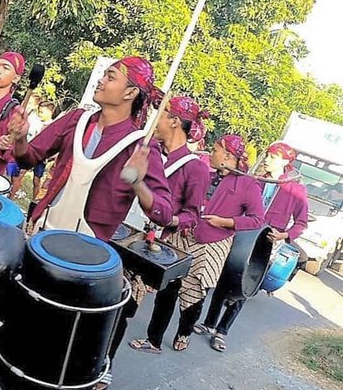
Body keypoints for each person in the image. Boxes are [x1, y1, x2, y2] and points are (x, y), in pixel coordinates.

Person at [0, 57, 173, 390]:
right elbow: (31, 157)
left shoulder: (141, 146)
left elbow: (164, 212)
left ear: (131, 92)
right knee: (1, 321)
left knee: (31, 340)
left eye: (111, 76)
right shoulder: (76, 120)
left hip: (80, 266)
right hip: (39, 237)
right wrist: (16, 140)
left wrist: (139, 184)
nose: (102, 79)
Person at [196, 141, 308, 352]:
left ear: (285, 162)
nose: (266, 160)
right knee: (224, 278)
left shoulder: (296, 189)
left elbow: (301, 223)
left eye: (272, 157)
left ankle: (222, 331)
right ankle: (209, 324)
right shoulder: (255, 180)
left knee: (245, 285)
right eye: (267, 155)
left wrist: (285, 235)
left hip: (265, 244)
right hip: (242, 235)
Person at [125, 97, 211, 357]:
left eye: (161, 115)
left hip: (162, 240)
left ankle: (153, 340)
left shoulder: (195, 167)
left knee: (158, 294)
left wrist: (170, 221)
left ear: (174, 121)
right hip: (127, 229)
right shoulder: (147, 148)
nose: (156, 120)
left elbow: (192, 215)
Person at [164, 135, 265, 353]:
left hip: (214, 243)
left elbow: (257, 219)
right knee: (168, 284)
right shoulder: (205, 173)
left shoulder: (248, 185)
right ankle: (154, 338)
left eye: (216, 150)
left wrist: (225, 222)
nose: (211, 153)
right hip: (184, 235)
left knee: (195, 290)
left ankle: (184, 332)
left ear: (228, 156)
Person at [7, 100, 55, 200]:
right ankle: (10, 198)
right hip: (30, 153)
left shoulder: (53, 126)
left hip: (41, 157)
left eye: (42, 112)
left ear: (50, 112)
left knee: (36, 181)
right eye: (39, 111)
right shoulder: (35, 121)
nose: (40, 114)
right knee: (19, 175)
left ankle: (34, 201)